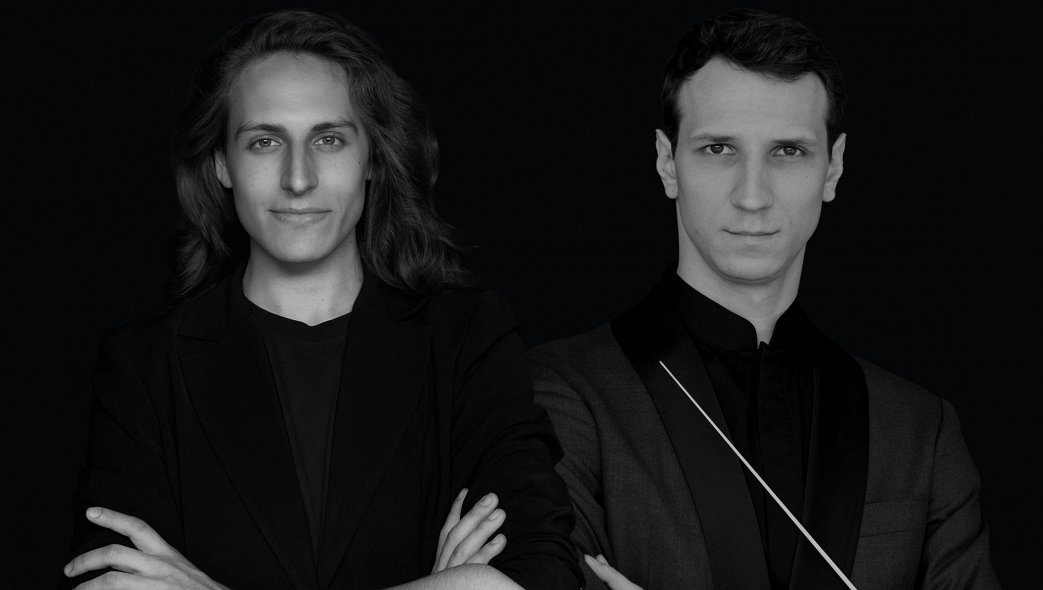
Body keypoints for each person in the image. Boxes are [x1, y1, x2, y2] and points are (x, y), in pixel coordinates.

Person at [61, 9, 579, 590]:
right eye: (264, 142)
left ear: (373, 158)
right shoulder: (144, 367)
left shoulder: (468, 339)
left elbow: (538, 574)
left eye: (329, 139)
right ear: (221, 164)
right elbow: (112, 582)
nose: (298, 178)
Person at [529, 8, 999, 590]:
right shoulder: (559, 396)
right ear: (666, 162)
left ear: (834, 168)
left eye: (788, 152)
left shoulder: (918, 428)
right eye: (718, 149)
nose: (752, 197)